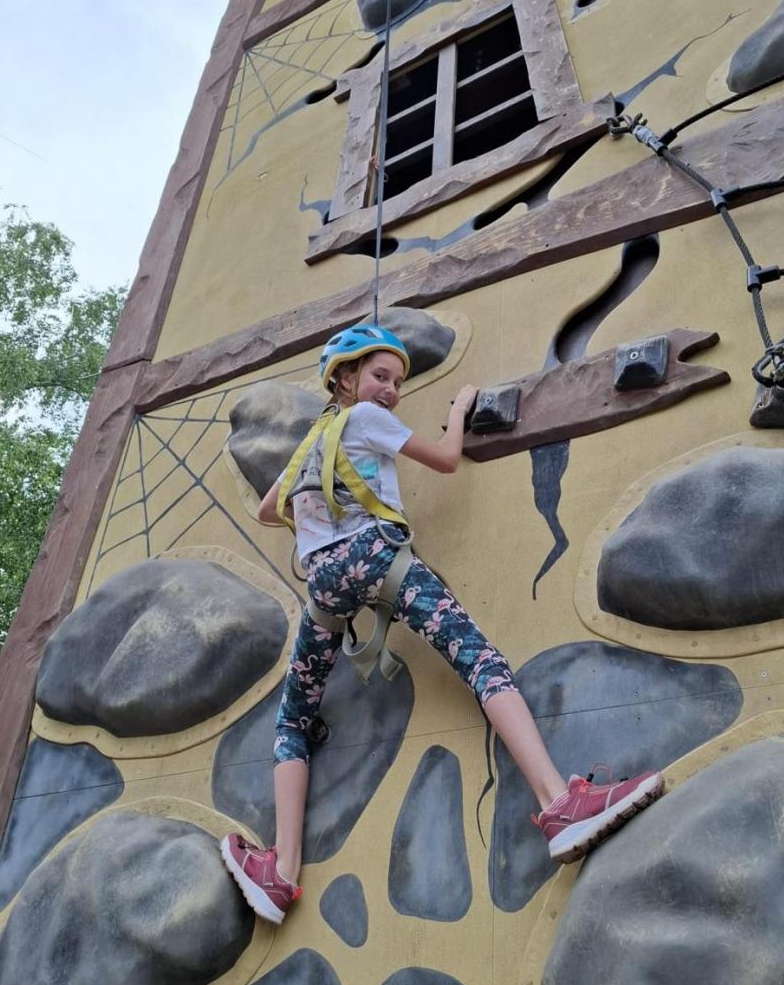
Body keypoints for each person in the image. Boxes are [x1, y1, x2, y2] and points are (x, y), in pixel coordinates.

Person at [221, 324, 664, 924]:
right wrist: (458, 407)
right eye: (380, 377)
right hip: (379, 560)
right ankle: (558, 803)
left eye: (398, 382)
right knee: (483, 663)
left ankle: (281, 871)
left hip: (324, 583)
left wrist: (319, 514)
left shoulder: (310, 443)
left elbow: (270, 510)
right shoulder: (361, 420)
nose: (391, 391)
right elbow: (448, 460)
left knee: (292, 720)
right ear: (345, 380)